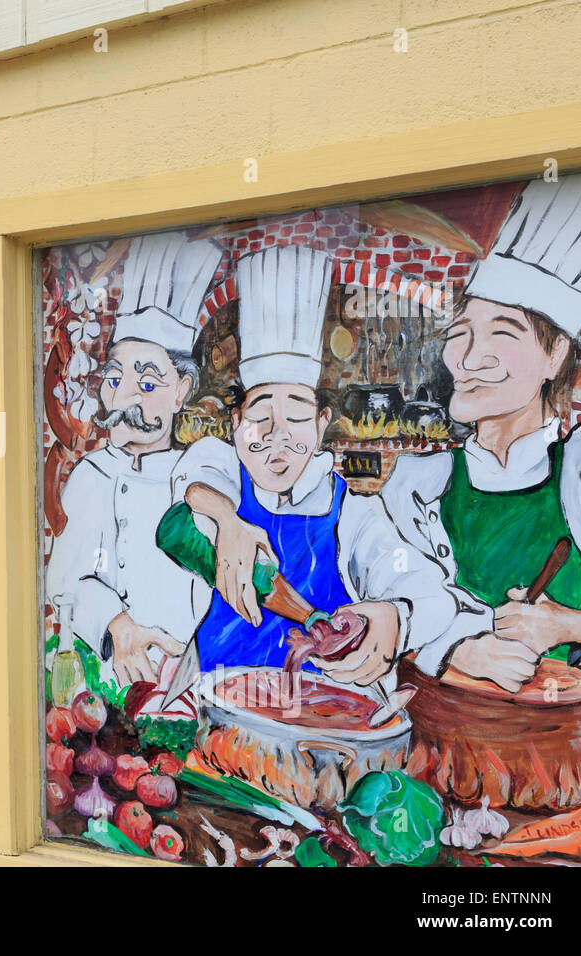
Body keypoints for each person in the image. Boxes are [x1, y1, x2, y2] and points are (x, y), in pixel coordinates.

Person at [157, 244, 461, 683]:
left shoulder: (352, 512)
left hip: (319, 715)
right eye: (260, 414)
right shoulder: (224, 476)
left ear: (321, 426)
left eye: (297, 414)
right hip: (216, 696)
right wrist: (227, 521)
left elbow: (422, 584)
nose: (277, 432)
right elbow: (194, 482)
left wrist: (395, 616)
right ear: (237, 423)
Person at [378, 172, 581, 692]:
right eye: (461, 334)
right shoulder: (416, 483)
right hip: (435, 740)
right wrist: (461, 645)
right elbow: (387, 598)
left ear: (555, 354)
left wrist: (572, 625)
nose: (471, 358)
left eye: (503, 333)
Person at [46, 230, 222, 688]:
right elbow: (65, 583)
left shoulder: (204, 466)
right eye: (114, 378)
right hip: (115, 682)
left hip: (196, 682)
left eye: (146, 384)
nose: (122, 397)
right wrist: (117, 626)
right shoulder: (93, 476)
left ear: (182, 391)